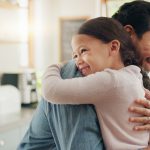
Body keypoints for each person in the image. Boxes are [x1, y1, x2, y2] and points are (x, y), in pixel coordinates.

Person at [18, 1, 150, 150]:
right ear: (128, 33)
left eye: (83, 51)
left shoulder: (133, 76)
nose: (78, 59)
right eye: (76, 54)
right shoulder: (79, 73)